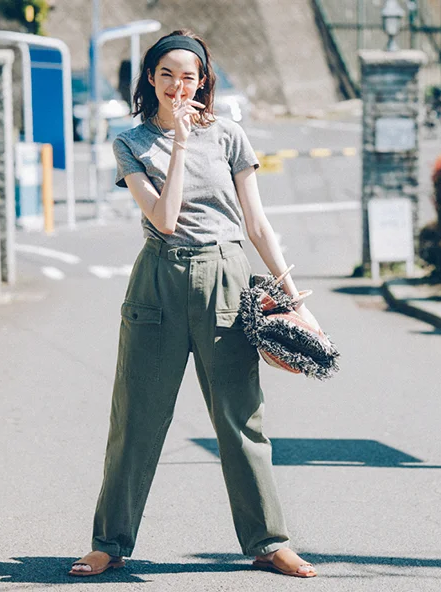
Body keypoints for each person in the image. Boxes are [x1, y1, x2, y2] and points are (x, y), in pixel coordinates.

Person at [69, 29, 320, 580]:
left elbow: (256, 223)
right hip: (158, 279)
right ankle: (108, 543)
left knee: (240, 418)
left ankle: (269, 541)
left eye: (189, 76)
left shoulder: (229, 135)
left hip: (227, 278)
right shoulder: (131, 142)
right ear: (150, 80)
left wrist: (294, 299)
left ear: (204, 81)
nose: (178, 85)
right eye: (167, 75)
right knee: (136, 417)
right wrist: (179, 144)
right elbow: (163, 218)